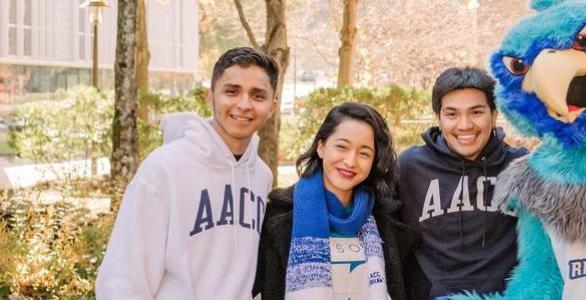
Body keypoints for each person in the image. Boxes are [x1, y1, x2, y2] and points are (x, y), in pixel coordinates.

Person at [95, 47, 278, 299]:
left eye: (257, 95)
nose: (244, 104)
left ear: (272, 107)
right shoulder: (164, 168)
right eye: (232, 91)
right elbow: (123, 277)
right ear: (210, 96)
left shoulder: (261, 176)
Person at [254, 102, 418, 299]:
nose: (350, 161)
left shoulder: (385, 219)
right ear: (321, 147)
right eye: (342, 147)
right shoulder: (278, 215)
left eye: (364, 153)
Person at [395, 67, 527, 299]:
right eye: (452, 114)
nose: (464, 125)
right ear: (439, 117)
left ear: (494, 114)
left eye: (476, 112)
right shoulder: (410, 167)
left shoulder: (520, 167)